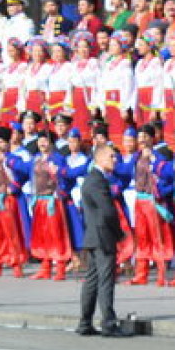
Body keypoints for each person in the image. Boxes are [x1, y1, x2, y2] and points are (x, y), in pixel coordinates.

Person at [77, 143, 127, 337]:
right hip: (102, 236)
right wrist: (119, 233)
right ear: (99, 158)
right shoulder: (97, 180)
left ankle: (85, 322)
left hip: (93, 235)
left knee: (92, 280)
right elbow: (107, 211)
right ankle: (108, 323)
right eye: (111, 156)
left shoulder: (94, 179)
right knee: (105, 280)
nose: (114, 160)